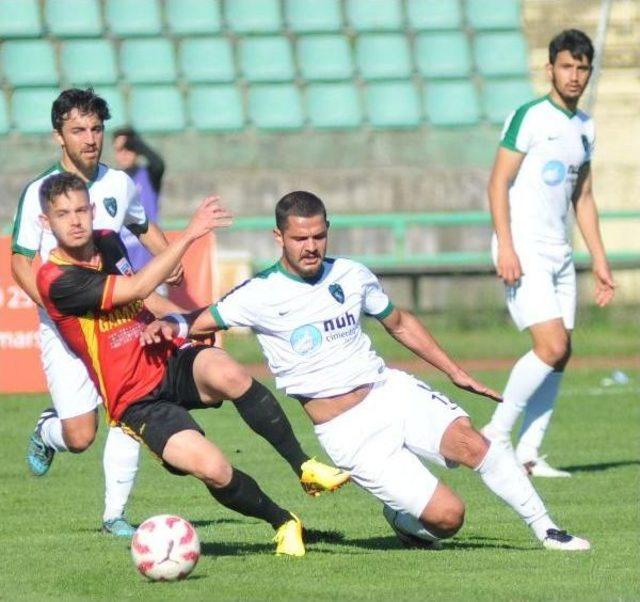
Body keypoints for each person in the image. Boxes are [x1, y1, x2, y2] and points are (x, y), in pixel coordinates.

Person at [143, 191, 591, 552]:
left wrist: (455, 371)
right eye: (300, 238)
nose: (311, 246)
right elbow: (197, 320)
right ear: (279, 237)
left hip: (389, 391)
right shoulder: (258, 293)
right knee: (449, 519)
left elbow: (398, 322)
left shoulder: (352, 275)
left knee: (474, 442)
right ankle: (401, 518)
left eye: (319, 236)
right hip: (347, 431)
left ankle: (548, 529)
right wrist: (166, 325)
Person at [36, 174, 348, 557]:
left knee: (229, 373)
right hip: (135, 399)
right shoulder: (56, 280)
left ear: (92, 209)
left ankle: (304, 467)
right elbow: (134, 290)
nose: (76, 220)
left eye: (81, 209)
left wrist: (181, 323)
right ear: (45, 222)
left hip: (165, 357)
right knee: (214, 468)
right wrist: (189, 234)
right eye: (63, 213)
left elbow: (144, 301)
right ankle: (283, 521)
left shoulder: (107, 240)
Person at [10, 88, 185, 536]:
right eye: (77, 130)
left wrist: (171, 260)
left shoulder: (119, 183)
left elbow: (143, 226)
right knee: (80, 437)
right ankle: (48, 429)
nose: (89, 139)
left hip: (116, 317)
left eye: (96, 128)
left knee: (128, 404)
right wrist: (56, 306)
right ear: (58, 137)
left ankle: (114, 516)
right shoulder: (39, 193)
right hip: (66, 324)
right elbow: (19, 261)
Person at [481, 29, 615, 477]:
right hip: (524, 248)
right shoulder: (530, 117)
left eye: (582, 68)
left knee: (564, 350)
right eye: (566, 66)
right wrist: (507, 245)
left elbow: (585, 196)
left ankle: (529, 455)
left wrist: (598, 258)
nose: (574, 76)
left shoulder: (585, 126)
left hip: (559, 252)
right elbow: (498, 181)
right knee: (550, 344)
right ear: (550, 68)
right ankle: (496, 435)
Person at [112, 127, 165, 272]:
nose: (124, 154)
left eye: (128, 148)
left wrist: (136, 143)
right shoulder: (111, 181)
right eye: (119, 150)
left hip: (153, 265)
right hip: (125, 267)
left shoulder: (148, 175)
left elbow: (159, 163)